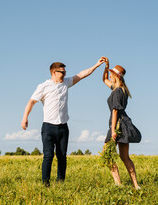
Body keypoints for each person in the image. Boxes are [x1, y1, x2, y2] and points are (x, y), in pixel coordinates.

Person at [21, 57, 106, 186]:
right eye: (62, 72)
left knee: (62, 156)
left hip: (63, 127)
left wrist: (96, 65)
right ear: (54, 72)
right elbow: (31, 101)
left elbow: (82, 75)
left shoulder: (66, 83)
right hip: (48, 127)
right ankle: (46, 184)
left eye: (65, 72)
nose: (65, 74)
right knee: (48, 156)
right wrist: (25, 117)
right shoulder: (43, 86)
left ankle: (60, 183)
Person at [102, 57, 141, 189]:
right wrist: (106, 67)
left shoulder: (117, 91)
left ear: (115, 76)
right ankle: (136, 185)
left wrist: (113, 130)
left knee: (107, 155)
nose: (110, 75)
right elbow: (104, 80)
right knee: (125, 157)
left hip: (117, 125)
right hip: (124, 124)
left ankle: (118, 184)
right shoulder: (121, 89)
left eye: (111, 73)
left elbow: (115, 111)